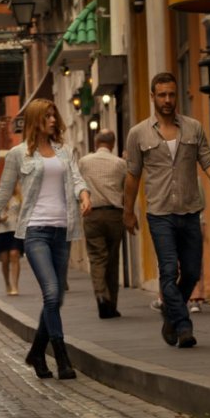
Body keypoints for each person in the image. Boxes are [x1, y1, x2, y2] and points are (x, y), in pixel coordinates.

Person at [0, 98, 91, 380]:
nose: (53, 120)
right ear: (36, 120)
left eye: (54, 115)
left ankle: (37, 351)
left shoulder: (65, 152)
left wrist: (84, 194)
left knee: (56, 298)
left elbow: (76, 178)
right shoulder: (17, 155)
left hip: (62, 230)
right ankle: (62, 358)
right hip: (35, 230)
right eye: (48, 116)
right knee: (51, 292)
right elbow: (2, 194)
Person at [124, 72, 210, 349]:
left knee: (191, 272)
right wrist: (128, 211)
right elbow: (132, 175)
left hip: (190, 210)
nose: (167, 100)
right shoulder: (138, 133)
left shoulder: (193, 128)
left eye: (171, 94)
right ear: (153, 97)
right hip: (159, 213)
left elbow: (208, 162)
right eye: (162, 95)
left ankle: (171, 312)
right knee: (168, 271)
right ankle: (183, 326)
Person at [79, 129, 127, 319]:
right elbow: (126, 186)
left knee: (97, 259)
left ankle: (101, 296)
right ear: (113, 144)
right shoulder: (120, 163)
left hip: (92, 214)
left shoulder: (83, 162)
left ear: (95, 143)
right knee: (113, 259)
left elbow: (77, 184)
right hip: (114, 215)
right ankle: (112, 304)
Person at [0, 182, 25, 296]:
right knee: (5, 260)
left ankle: (15, 285)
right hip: (2, 232)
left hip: (15, 230)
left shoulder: (19, 197)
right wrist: (0, 219)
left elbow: (23, 213)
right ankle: (7, 284)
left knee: (14, 254)